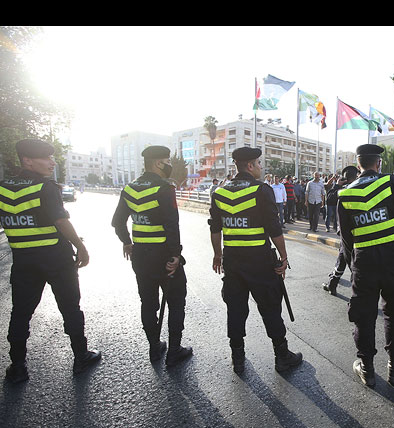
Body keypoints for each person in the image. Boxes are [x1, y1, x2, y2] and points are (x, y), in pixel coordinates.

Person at [2, 139, 100, 383]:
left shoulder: (3, 187)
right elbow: (61, 221)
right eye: (46, 158)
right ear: (27, 160)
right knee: (70, 308)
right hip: (56, 260)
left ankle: (17, 366)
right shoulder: (44, 187)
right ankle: (81, 357)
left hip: (24, 262)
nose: (52, 162)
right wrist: (81, 246)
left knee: (21, 313)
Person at [337, 144, 394, 387]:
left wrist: (353, 267)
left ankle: (367, 369)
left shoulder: (345, 194)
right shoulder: (393, 183)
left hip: (364, 265)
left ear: (358, 165)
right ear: (378, 163)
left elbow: (346, 241)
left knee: (364, 318)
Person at [209, 147, 302, 374]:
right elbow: (274, 228)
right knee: (270, 307)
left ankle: (237, 358)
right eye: (259, 163)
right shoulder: (261, 190)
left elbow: (215, 228)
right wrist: (283, 256)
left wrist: (218, 255)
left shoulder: (219, 193)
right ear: (250, 166)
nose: (261, 167)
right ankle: (282, 357)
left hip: (232, 262)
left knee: (236, 309)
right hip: (260, 261)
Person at [111, 145, 192, 366]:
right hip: (164, 257)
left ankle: (154, 348)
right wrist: (176, 255)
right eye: (167, 161)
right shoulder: (164, 188)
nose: (169, 165)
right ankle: (174, 351)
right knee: (176, 303)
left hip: (140, 256)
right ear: (158, 163)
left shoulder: (129, 188)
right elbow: (171, 225)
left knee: (148, 303)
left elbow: (117, 222)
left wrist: (127, 242)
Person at [322, 166, 359, 295]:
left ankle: (335, 284)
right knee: (344, 259)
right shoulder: (361, 188)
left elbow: (330, 198)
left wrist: (337, 186)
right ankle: (332, 284)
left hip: (346, 233)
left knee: (345, 259)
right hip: (360, 231)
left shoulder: (343, 190)